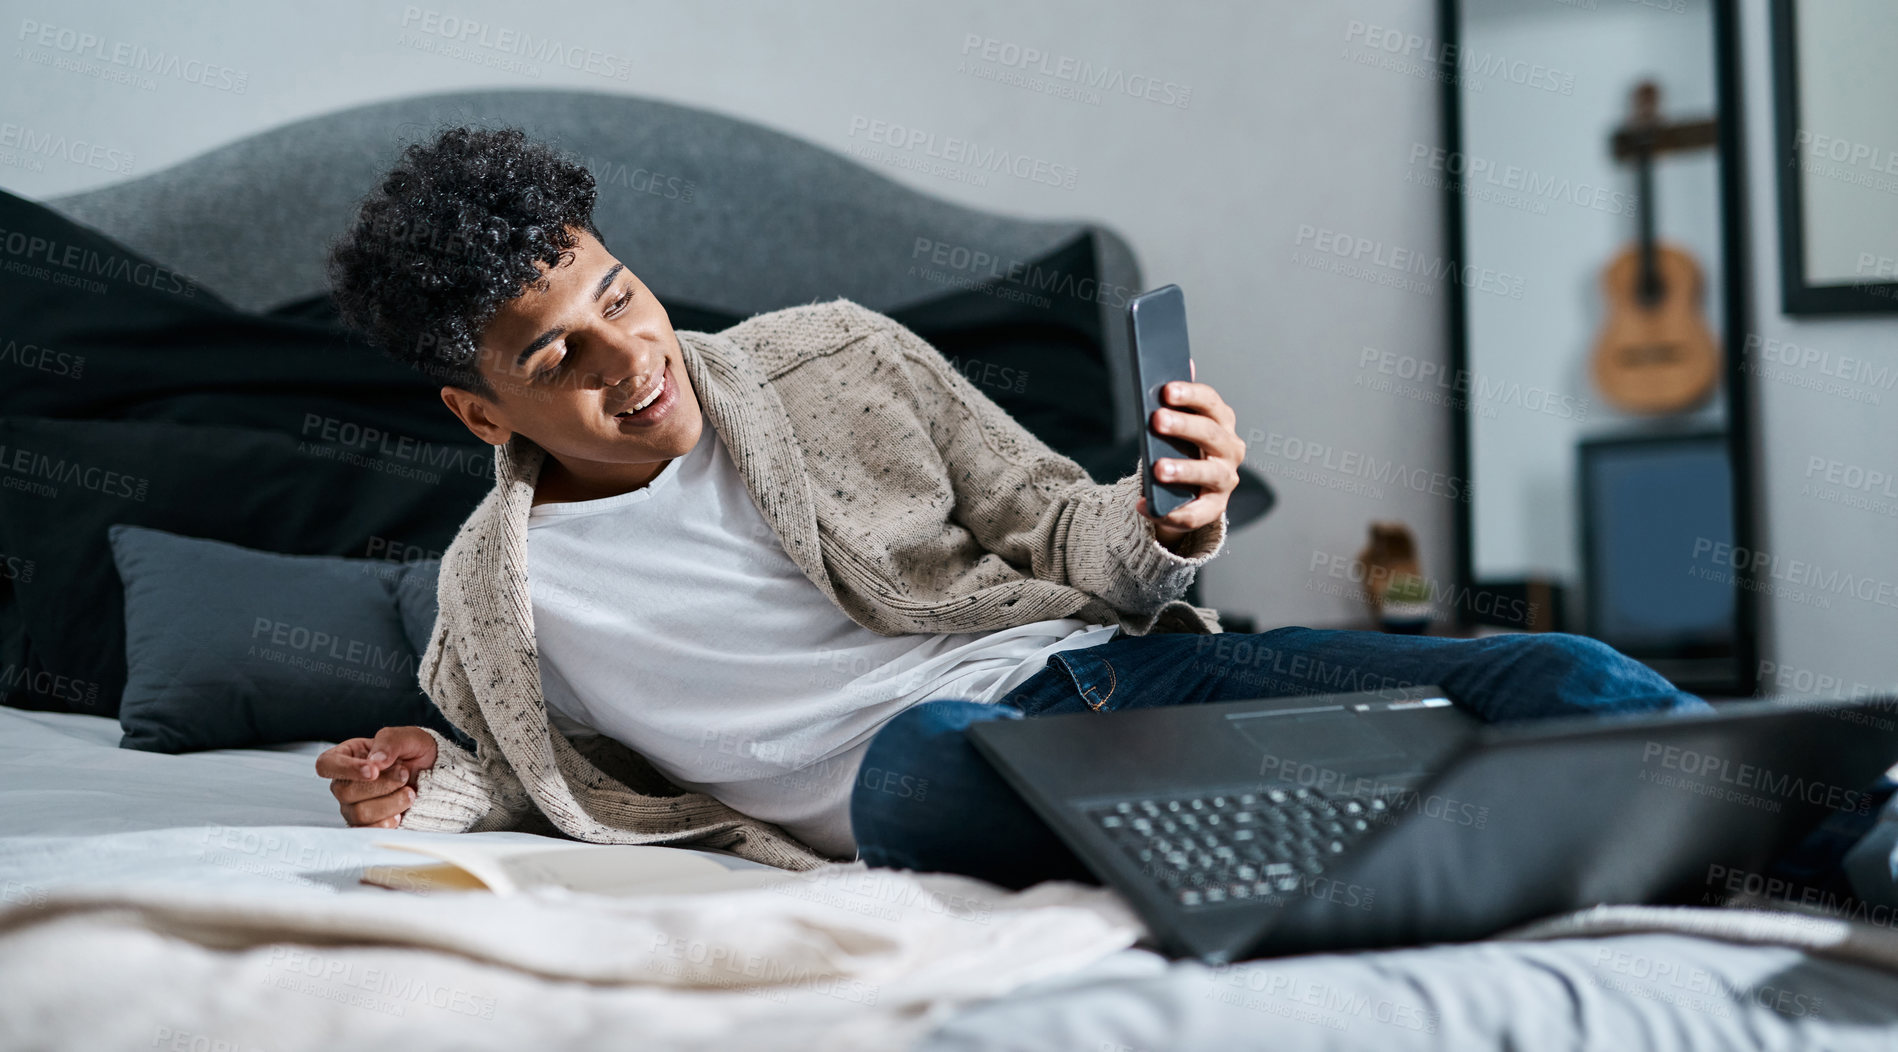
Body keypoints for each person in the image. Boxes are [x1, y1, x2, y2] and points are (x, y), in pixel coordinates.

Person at [314, 126, 1708, 888]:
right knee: (935, 749)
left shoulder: (836, 358)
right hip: (926, 781)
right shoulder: (491, 601)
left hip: (1106, 674)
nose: (633, 364)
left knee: (1563, 670)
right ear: (480, 413)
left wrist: (1166, 517)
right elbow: (537, 777)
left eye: (619, 297)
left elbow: (1061, 533)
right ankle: (1409, 835)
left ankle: (1853, 831)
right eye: (559, 358)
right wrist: (417, 790)